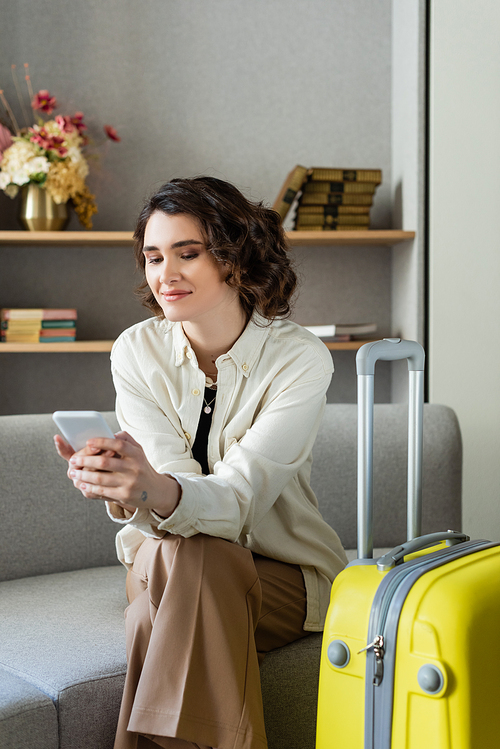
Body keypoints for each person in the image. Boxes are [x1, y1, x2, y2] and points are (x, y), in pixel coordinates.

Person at [54, 176, 348, 749]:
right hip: (163, 558)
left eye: (188, 253)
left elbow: (241, 500)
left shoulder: (299, 360)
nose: (166, 274)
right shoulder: (136, 352)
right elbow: (169, 482)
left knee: (159, 607)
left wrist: (153, 491)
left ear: (236, 258)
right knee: (191, 555)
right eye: (154, 256)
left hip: (279, 572)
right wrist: (126, 485)